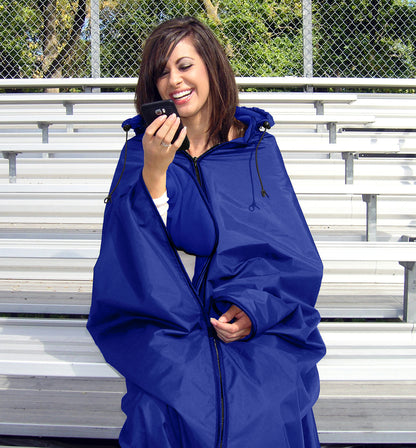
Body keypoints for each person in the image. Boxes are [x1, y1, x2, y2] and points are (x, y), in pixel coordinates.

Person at [87, 16, 326, 448]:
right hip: (166, 324)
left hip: (253, 321)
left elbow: (293, 255)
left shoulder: (255, 150)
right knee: (158, 409)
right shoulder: (138, 154)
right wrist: (156, 173)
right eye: (162, 72)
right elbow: (130, 256)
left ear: (211, 68)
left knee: (269, 404)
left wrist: (254, 310)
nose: (173, 81)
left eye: (184, 65)